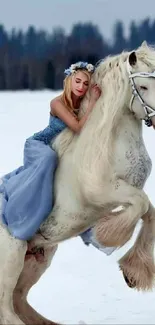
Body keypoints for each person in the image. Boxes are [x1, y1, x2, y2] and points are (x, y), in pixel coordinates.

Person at [0, 61, 115, 255]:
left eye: (85, 84)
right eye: (77, 81)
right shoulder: (57, 103)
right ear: (69, 80)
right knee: (49, 160)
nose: (81, 87)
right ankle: (22, 218)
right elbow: (78, 127)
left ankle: (92, 231)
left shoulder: (83, 105)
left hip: (61, 150)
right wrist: (93, 102)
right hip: (40, 146)